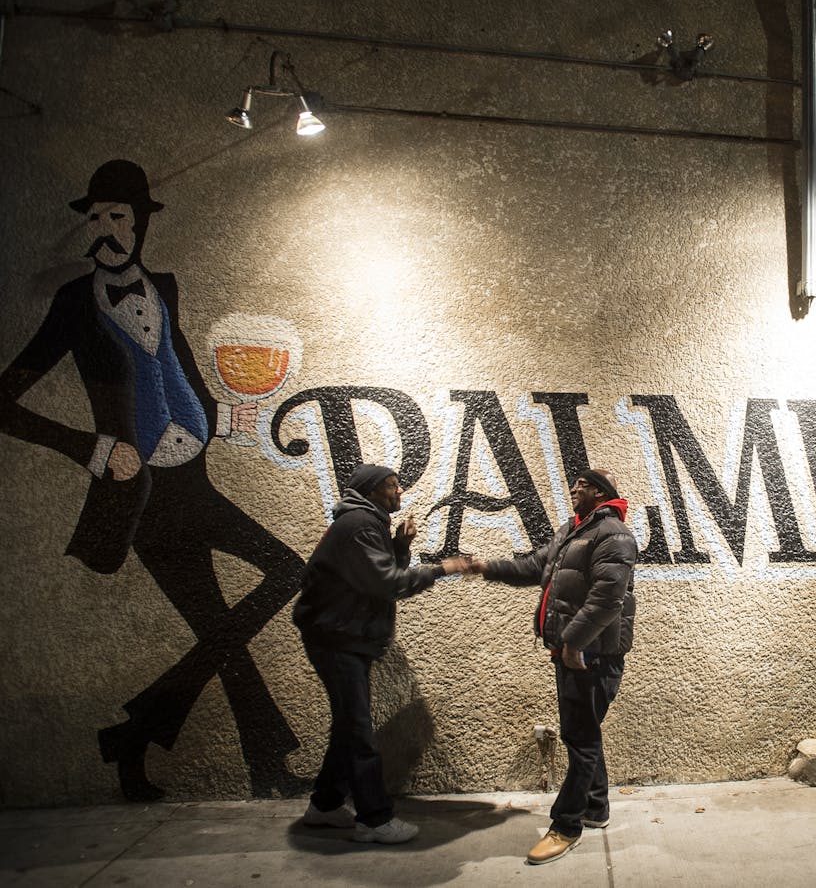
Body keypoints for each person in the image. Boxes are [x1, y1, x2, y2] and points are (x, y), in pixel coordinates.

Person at [0, 159, 305, 800]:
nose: (105, 230)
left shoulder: (163, 286)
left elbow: (174, 364)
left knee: (272, 584)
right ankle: (263, 763)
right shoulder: (73, 305)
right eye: (96, 218)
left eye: (117, 217)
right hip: (140, 500)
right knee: (234, 621)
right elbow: (5, 401)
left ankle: (136, 737)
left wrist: (217, 416)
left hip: (191, 481)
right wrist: (91, 446)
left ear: (140, 224)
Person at [293, 463, 477, 844]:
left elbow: (376, 579)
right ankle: (374, 820)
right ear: (371, 489)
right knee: (359, 731)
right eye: (392, 486)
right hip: (338, 639)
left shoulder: (366, 522)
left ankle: (325, 806)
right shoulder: (359, 525)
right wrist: (442, 568)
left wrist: (400, 547)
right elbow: (387, 584)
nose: (399, 493)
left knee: (348, 726)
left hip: (342, 636)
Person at [473, 468, 637, 866]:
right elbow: (534, 567)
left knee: (579, 739)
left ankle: (566, 825)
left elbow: (607, 599)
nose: (574, 488)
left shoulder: (613, 534)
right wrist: (481, 567)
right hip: (574, 652)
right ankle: (595, 808)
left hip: (591, 655)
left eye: (581, 484)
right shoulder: (573, 531)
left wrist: (571, 643)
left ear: (600, 492)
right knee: (585, 733)